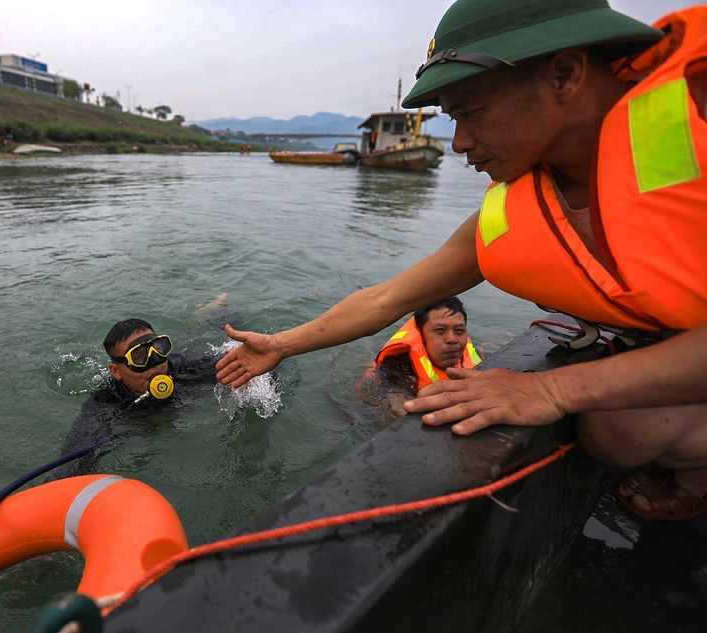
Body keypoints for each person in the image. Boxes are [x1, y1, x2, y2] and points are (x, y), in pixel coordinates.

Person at [217, 0, 707, 521]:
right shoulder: (524, 201)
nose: (459, 144)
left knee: (616, 430)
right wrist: (281, 345)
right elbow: (390, 298)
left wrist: (552, 388)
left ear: (564, 74)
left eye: (470, 113)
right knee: (615, 433)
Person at [57, 318, 219, 475]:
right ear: (116, 371)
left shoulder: (182, 369)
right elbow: (73, 458)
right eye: (139, 357)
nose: (155, 362)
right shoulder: (106, 402)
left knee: (190, 334)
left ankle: (199, 316)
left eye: (159, 348)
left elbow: (232, 364)